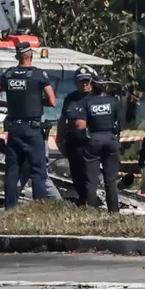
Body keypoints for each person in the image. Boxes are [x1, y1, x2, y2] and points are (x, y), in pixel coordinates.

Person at [0, 41, 57, 209]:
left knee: (12, 171)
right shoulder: (38, 75)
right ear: (31, 55)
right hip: (33, 129)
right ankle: (40, 208)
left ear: (18, 56)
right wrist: (38, 102)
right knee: (38, 171)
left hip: (14, 130)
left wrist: (6, 104)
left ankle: (10, 208)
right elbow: (53, 101)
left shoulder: (8, 75)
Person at [74, 75, 122, 212]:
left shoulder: (86, 102)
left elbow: (80, 126)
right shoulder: (114, 101)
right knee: (111, 180)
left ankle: (91, 211)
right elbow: (119, 124)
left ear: (92, 85)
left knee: (91, 180)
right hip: (111, 139)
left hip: (94, 139)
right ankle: (113, 211)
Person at [57, 66, 96, 205]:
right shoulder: (71, 98)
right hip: (73, 142)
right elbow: (63, 119)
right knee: (76, 174)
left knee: (90, 175)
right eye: (81, 81)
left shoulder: (97, 97)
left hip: (90, 142)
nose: (85, 84)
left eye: (87, 81)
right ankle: (82, 200)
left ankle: (91, 201)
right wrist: (59, 137)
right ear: (76, 82)